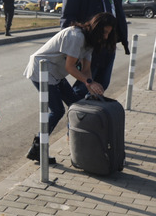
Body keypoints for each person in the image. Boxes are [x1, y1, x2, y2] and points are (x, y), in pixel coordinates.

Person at [22, 12, 118, 164]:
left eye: (109, 33)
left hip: (55, 73)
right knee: (57, 110)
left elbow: (86, 70)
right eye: (105, 32)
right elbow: (70, 66)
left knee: (76, 104)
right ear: (97, 28)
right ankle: (37, 148)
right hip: (42, 69)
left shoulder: (89, 42)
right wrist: (89, 82)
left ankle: (79, 143)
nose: (106, 37)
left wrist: (91, 86)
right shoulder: (76, 36)